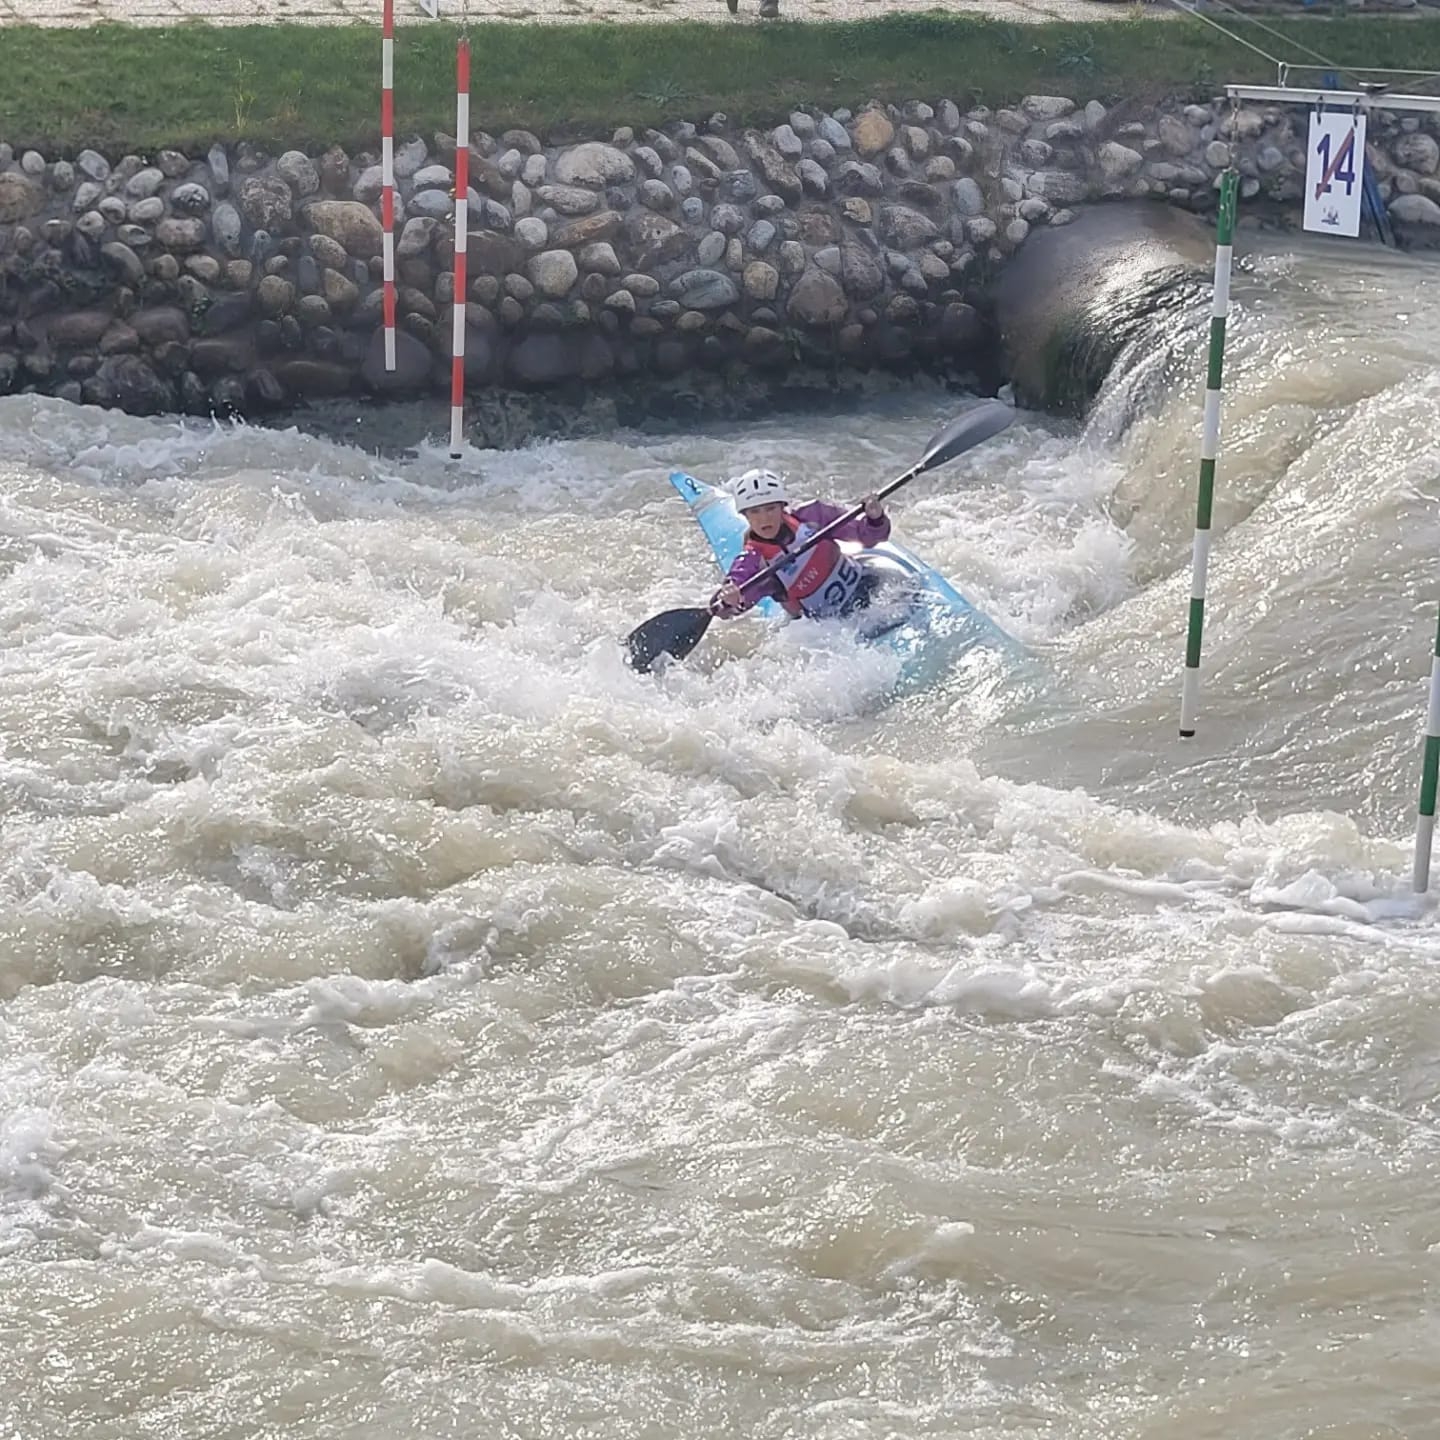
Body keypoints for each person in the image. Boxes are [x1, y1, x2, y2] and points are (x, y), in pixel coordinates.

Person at [710, 467, 890, 623]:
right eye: (755, 511)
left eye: (770, 508)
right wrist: (728, 598)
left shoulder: (813, 516)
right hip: (828, 625)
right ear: (746, 516)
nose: (764, 518)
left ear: (782, 507)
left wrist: (875, 519)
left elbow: (868, 536)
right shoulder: (755, 561)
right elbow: (737, 593)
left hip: (865, 583)